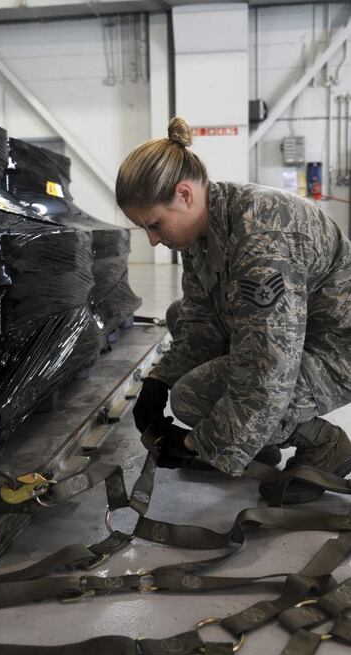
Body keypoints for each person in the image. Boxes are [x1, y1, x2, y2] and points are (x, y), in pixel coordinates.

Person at [116, 117, 351, 504]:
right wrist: (157, 380)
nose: (154, 240)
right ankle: (257, 443)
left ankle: (325, 443)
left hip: (336, 351)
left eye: (154, 225)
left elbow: (268, 370)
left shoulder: (263, 238)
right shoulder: (204, 231)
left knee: (191, 397)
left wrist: (201, 443)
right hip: (300, 335)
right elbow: (199, 323)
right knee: (180, 315)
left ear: (185, 195)